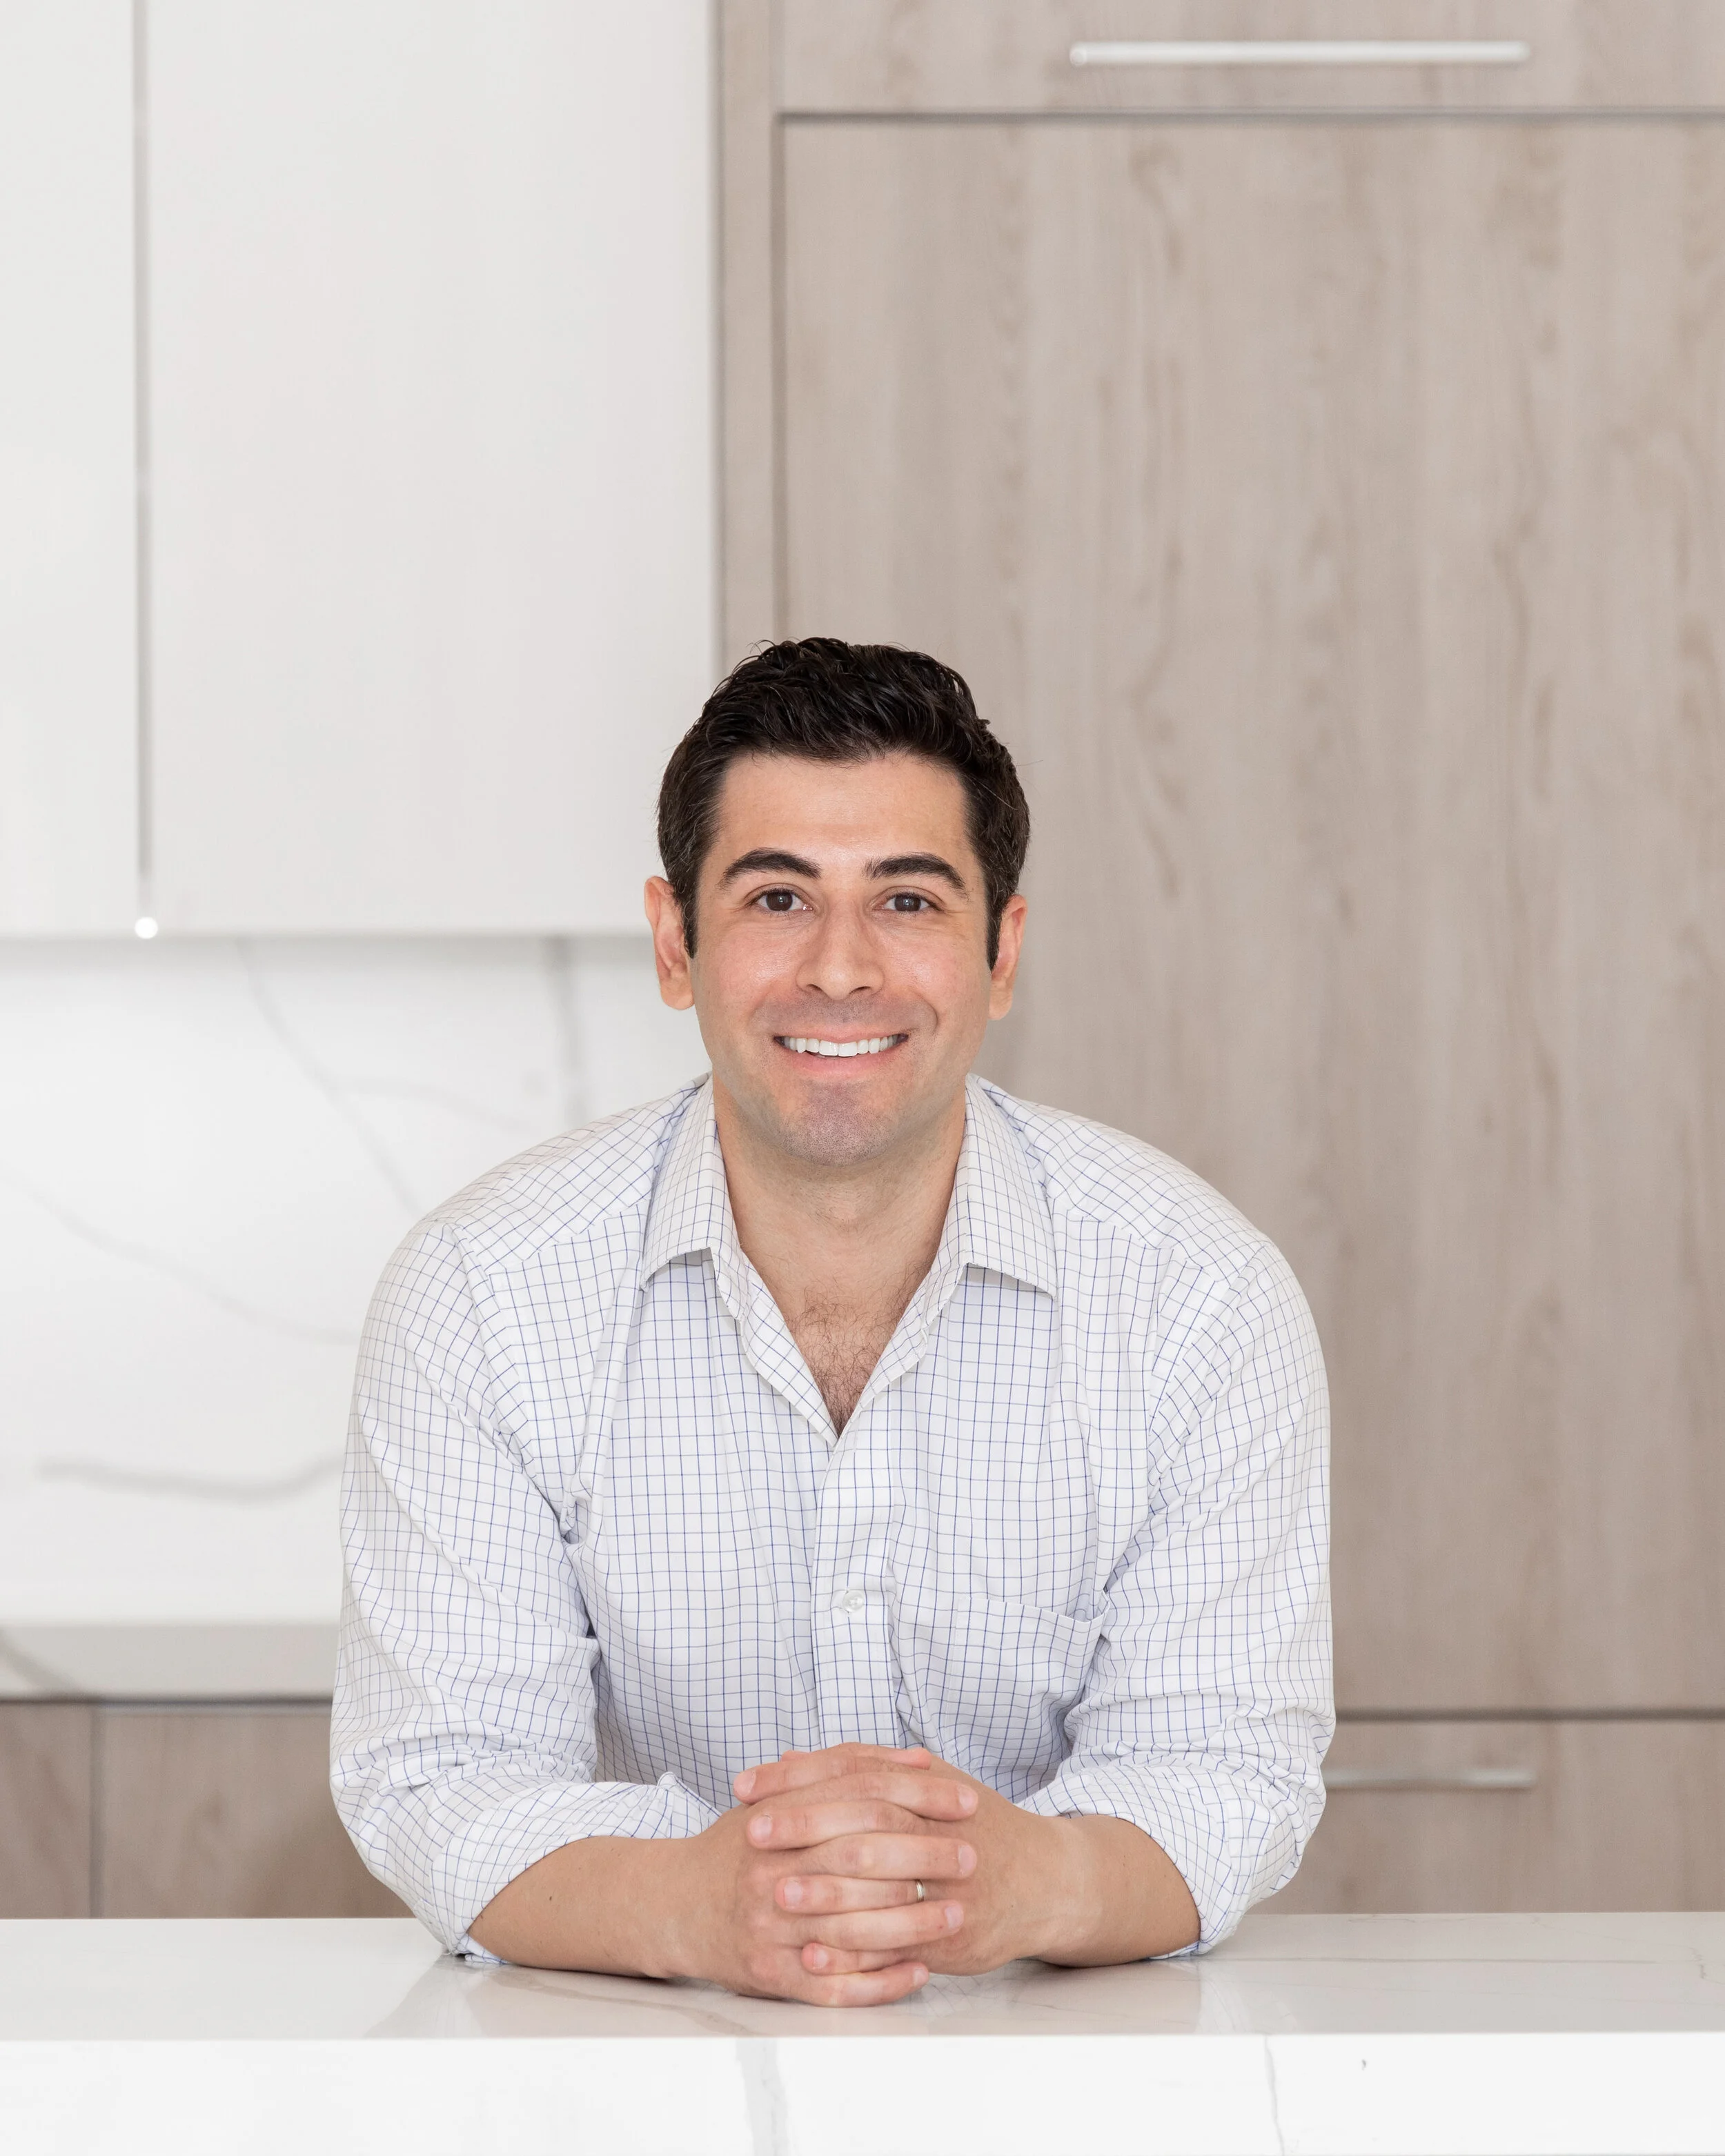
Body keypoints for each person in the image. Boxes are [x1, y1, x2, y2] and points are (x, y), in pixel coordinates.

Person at [332, 637, 1331, 2006]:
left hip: (1069, 2054)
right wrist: (700, 1905)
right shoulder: (480, 1291)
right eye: (777, 897)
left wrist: (1013, 1881)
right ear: (676, 943)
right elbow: (441, 1776)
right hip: (621, 2052)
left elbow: (1225, 1769)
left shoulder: (1197, 1293)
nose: (842, 968)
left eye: (907, 899)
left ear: (1002, 950)